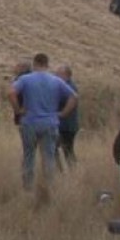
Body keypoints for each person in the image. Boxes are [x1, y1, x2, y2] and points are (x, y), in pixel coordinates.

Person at [8, 53, 78, 192]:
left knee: (28, 157)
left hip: (30, 122)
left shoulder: (25, 79)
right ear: (47, 64)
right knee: (49, 157)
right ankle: (49, 189)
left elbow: (11, 92)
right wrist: (63, 113)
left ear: (34, 64)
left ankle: (27, 189)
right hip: (50, 123)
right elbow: (74, 96)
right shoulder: (55, 80)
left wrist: (18, 110)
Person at [56, 63, 80, 168]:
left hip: (67, 125)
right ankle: (67, 170)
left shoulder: (68, 87)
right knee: (65, 149)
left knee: (66, 150)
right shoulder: (67, 86)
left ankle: (70, 170)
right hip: (66, 124)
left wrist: (61, 114)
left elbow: (72, 100)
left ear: (66, 75)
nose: (56, 76)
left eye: (59, 74)